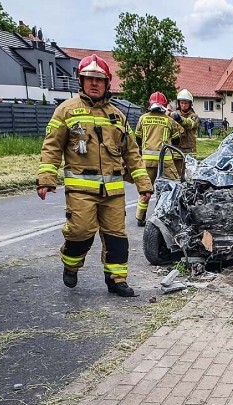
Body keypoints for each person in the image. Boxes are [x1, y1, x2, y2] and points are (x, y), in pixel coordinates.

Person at [37, 53, 152, 297]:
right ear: (81, 81)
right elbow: (52, 146)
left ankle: (116, 279)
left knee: (116, 237)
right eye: (89, 79)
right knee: (80, 231)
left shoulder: (117, 116)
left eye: (99, 79)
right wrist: (46, 179)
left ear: (108, 83)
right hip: (81, 190)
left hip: (113, 192)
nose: (94, 83)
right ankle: (70, 263)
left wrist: (143, 184)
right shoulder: (66, 111)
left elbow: (132, 152)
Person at [133, 91, 184, 226]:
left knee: (145, 189)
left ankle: (140, 217)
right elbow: (177, 139)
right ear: (164, 105)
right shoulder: (168, 120)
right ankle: (170, 215)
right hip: (165, 160)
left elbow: (137, 138)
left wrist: (142, 149)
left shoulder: (143, 118)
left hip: (147, 160)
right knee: (174, 186)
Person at [172, 89, 200, 154]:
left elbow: (189, 124)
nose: (183, 105)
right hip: (175, 149)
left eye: (186, 103)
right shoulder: (174, 114)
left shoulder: (194, 116)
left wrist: (179, 119)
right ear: (178, 103)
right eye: (182, 103)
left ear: (190, 104)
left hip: (189, 150)